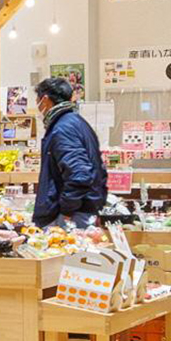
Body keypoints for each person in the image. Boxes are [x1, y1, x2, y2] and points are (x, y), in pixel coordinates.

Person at [31, 76, 107, 229]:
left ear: (45, 99)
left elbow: (80, 173)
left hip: (72, 215)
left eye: (37, 100)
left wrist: (66, 211)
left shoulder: (63, 128)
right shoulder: (75, 121)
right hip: (84, 208)